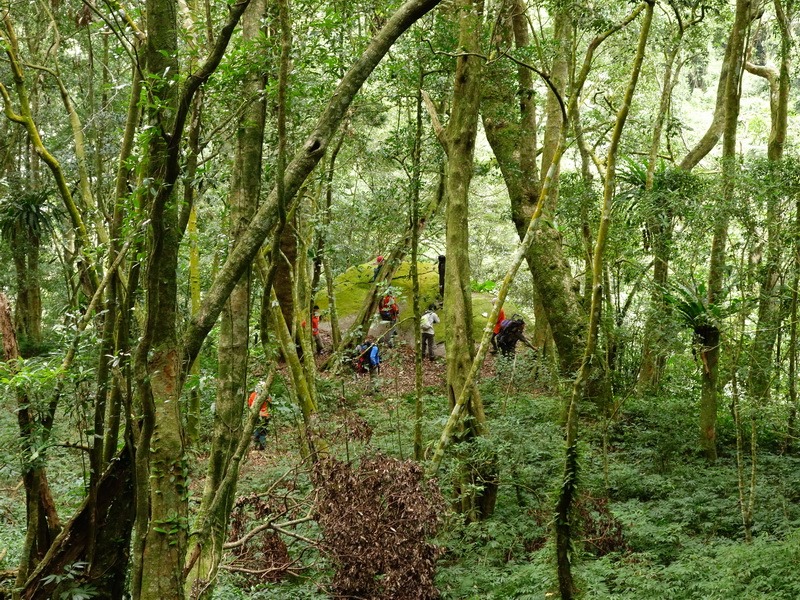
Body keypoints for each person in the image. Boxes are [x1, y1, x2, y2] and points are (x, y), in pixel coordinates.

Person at [247, 386, 271, 450]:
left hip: (258, 415)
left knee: (257, 430)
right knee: (263, 431)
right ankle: (261, 446)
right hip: (266, 415)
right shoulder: (268, 395)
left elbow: (250, 405)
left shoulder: (253, 395)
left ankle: (257, 445)